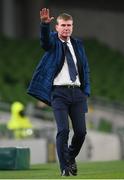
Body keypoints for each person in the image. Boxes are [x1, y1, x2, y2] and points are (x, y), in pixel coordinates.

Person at [27, 8, 90, 176]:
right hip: (59, 94)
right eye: (63, 25)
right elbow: (44, 42)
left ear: (72, 27)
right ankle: (64, 167)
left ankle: (69, 157)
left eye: (69, 25)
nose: (66, 28)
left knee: (81, 132)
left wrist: (86, 91)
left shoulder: (78, 44)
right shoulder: (53, 41)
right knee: (63, 130)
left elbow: (85, 69)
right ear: (57, 27)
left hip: (77, 93)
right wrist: (44, 24)